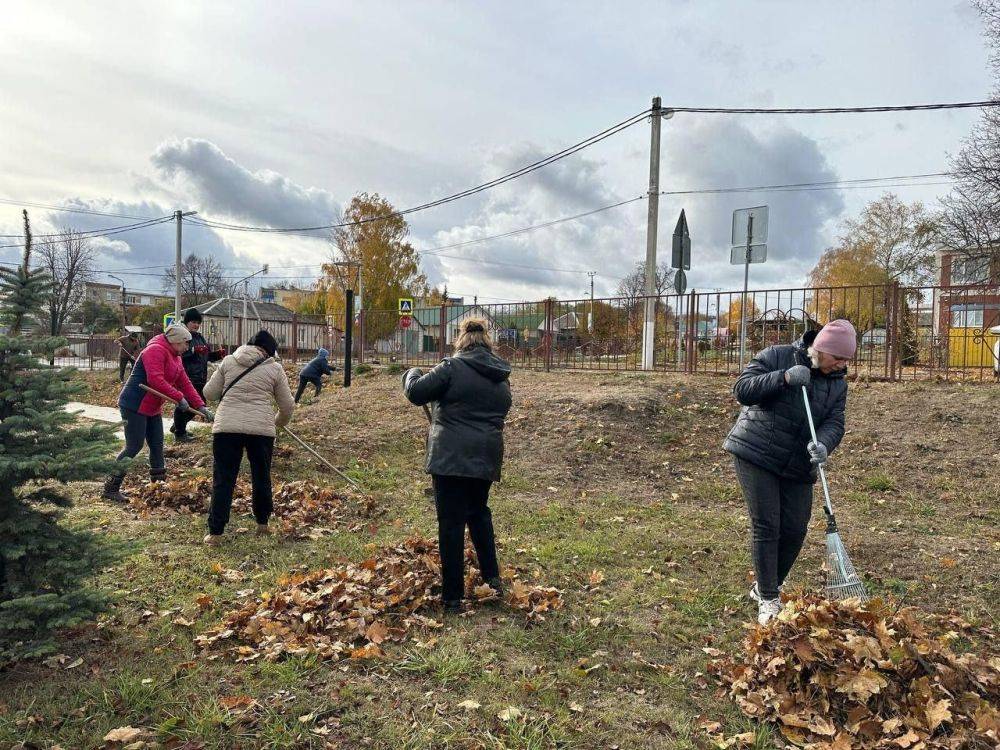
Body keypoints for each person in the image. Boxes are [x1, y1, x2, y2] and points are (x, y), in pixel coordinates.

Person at [723, 319, 856, 625]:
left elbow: (835, 422)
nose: (841, 365)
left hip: (798, 462)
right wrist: (782, 378)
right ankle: (769, 597)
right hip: (757, 452)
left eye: (847, 360)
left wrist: (823, 444)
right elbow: (742, 390)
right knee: (768, 525)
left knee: (795, 529)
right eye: (838, 358)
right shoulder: (778, 355)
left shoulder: (838, 383)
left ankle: (765, 585)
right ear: (820, 348)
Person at [401, 319, 512, 613]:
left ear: (461, 340)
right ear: (487, 341)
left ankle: (452, 597)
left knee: (450, 523)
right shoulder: (501, 375)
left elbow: (415, 392)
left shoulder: (451, 367)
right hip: (485, 455)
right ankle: (493, 579)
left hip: (450, 457)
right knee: (478, 514)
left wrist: (411, 372)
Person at [202, 329, 294, 545]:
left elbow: (209, 393)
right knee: (261, 476)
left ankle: (215, 533)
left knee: (223, 479)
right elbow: (288, 406)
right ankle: (262, 524)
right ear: (269, 351)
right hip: (261, 431)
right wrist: (277, 422)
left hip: (226, 429)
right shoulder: (274, 368)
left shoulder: (228, 361)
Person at [102, 324, 213, 503]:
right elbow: (156, 380)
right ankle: (111, 487)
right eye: (185, 343)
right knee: (134, 445)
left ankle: (158, 487)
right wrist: (179, 398)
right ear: (176, 341)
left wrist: (200, 406)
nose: (187, 347)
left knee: (157, 444)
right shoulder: (155, 350)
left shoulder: (176, 356)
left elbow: (185, 383)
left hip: (152, 406)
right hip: (134, 404)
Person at [171, 308, 225, 443]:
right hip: (186, 377)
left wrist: (217, 354)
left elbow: (206, 356)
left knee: (198, 404)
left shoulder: (200, 337)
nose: (196, 325)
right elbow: (177, 354)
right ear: (187, 322)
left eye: (198, 323)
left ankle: (178, 426)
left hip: (200, 377)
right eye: (193, 322)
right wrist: (193, 350)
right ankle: (180, 433)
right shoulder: (182, 336)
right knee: (185, 405)